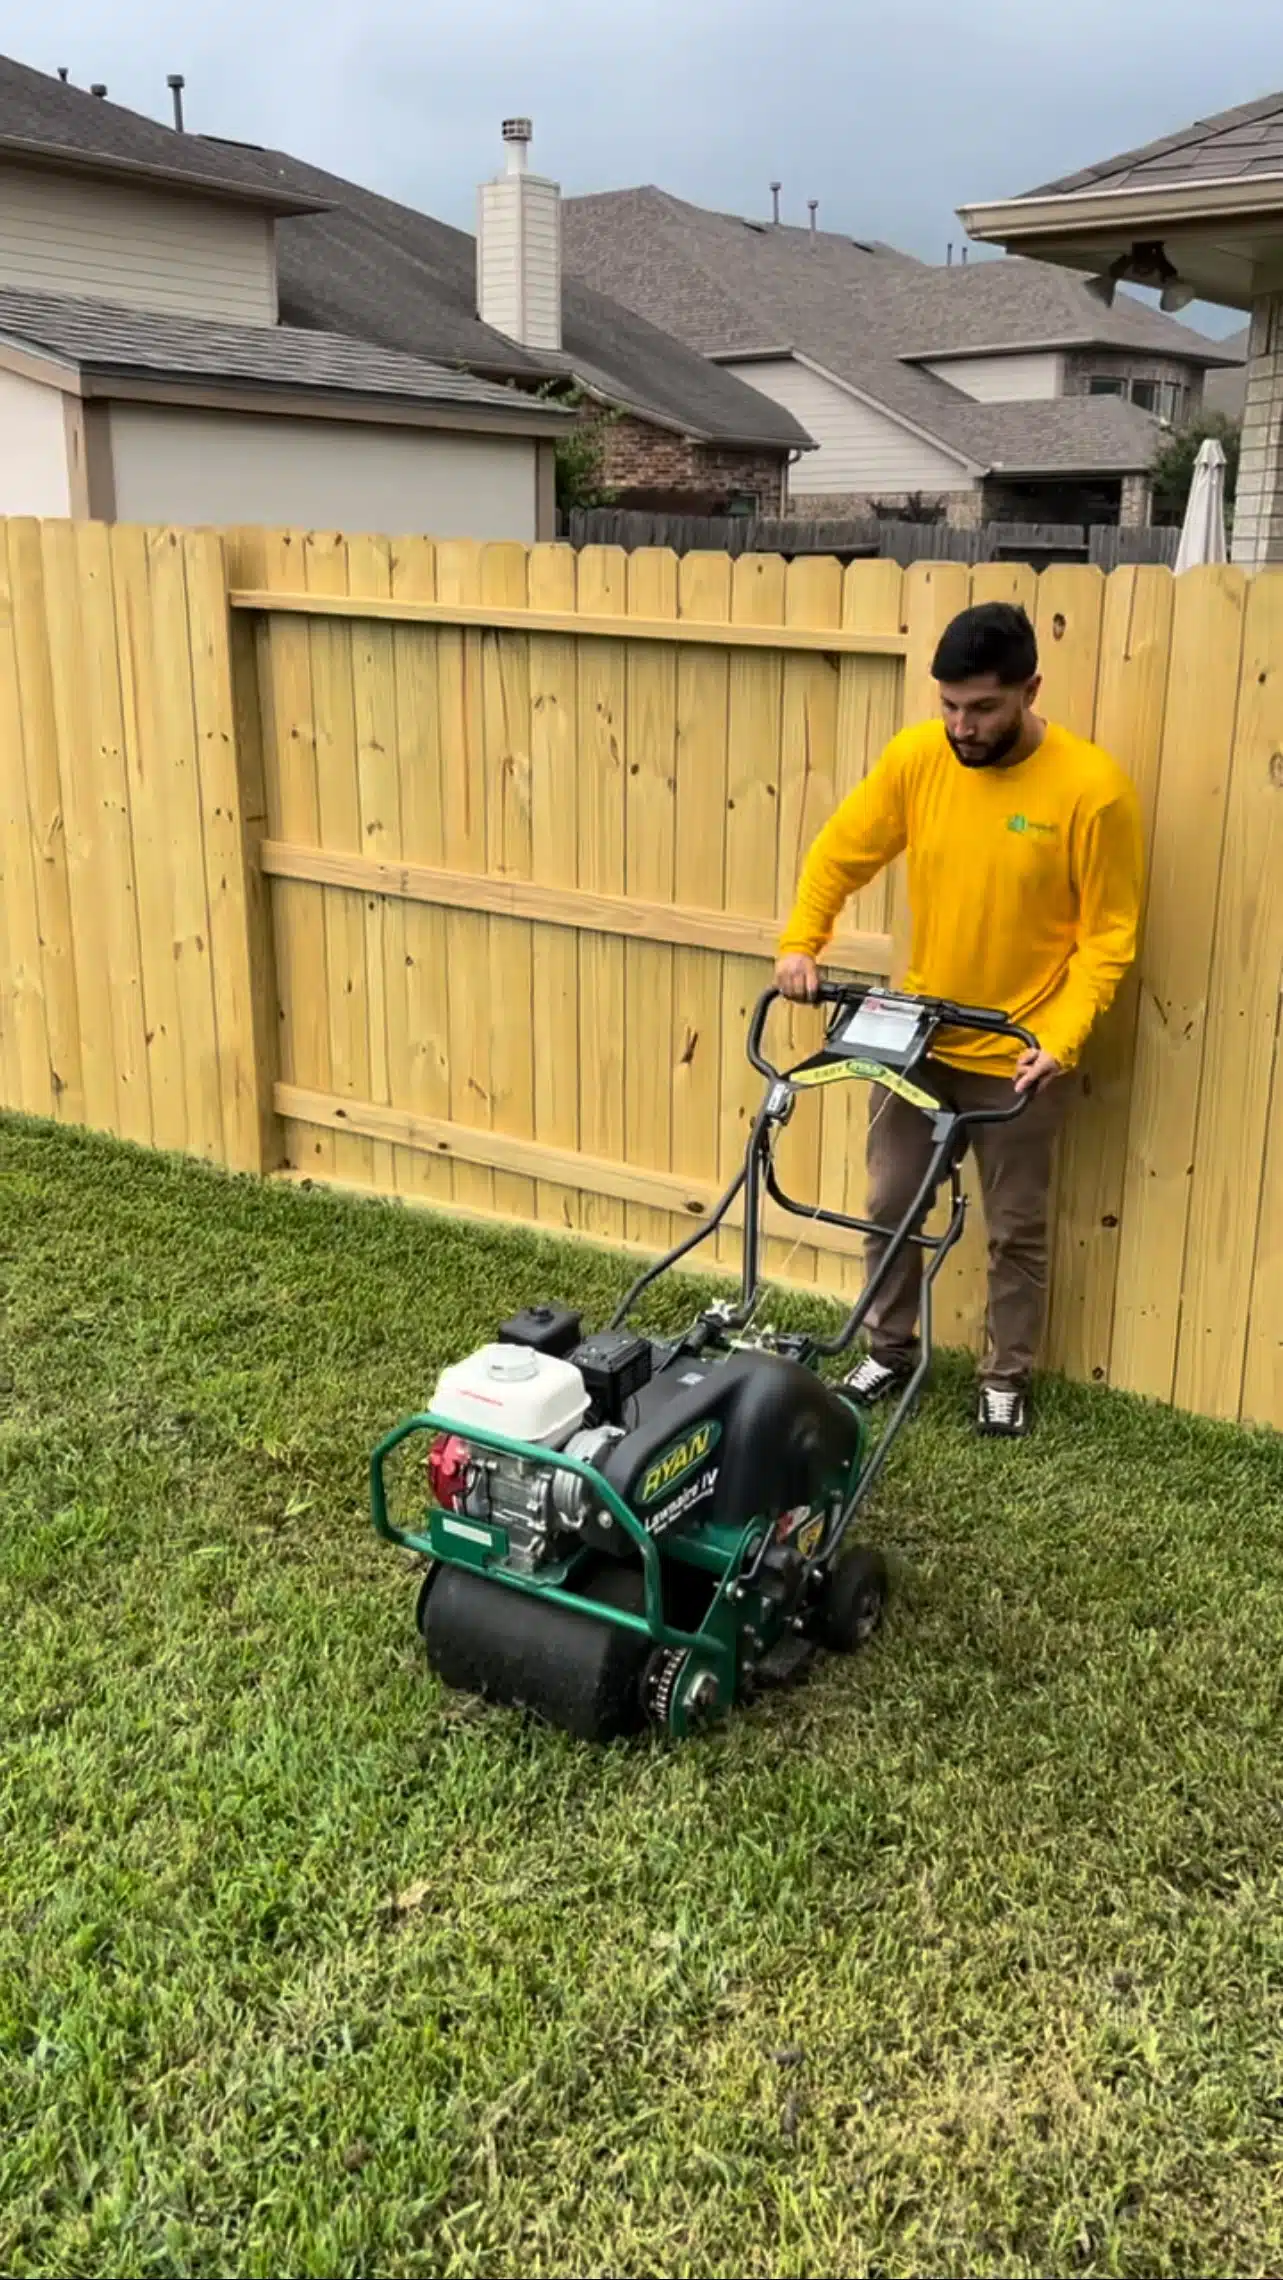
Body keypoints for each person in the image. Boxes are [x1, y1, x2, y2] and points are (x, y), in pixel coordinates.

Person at [775, 601, 1142, 1439]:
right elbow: (840, 852)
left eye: (981, 708)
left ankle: (1003, 1376)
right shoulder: (917, 759)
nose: (960, 727)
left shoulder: (1092, 792)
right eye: (947, 705)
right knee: (889, 1204)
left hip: (1020, 1050)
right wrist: (801, 942)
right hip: (919, 1034)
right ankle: (887, 1348)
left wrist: (1060, 1038)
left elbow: (1108, 939)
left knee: (1014, 1229)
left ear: (1028, 691)